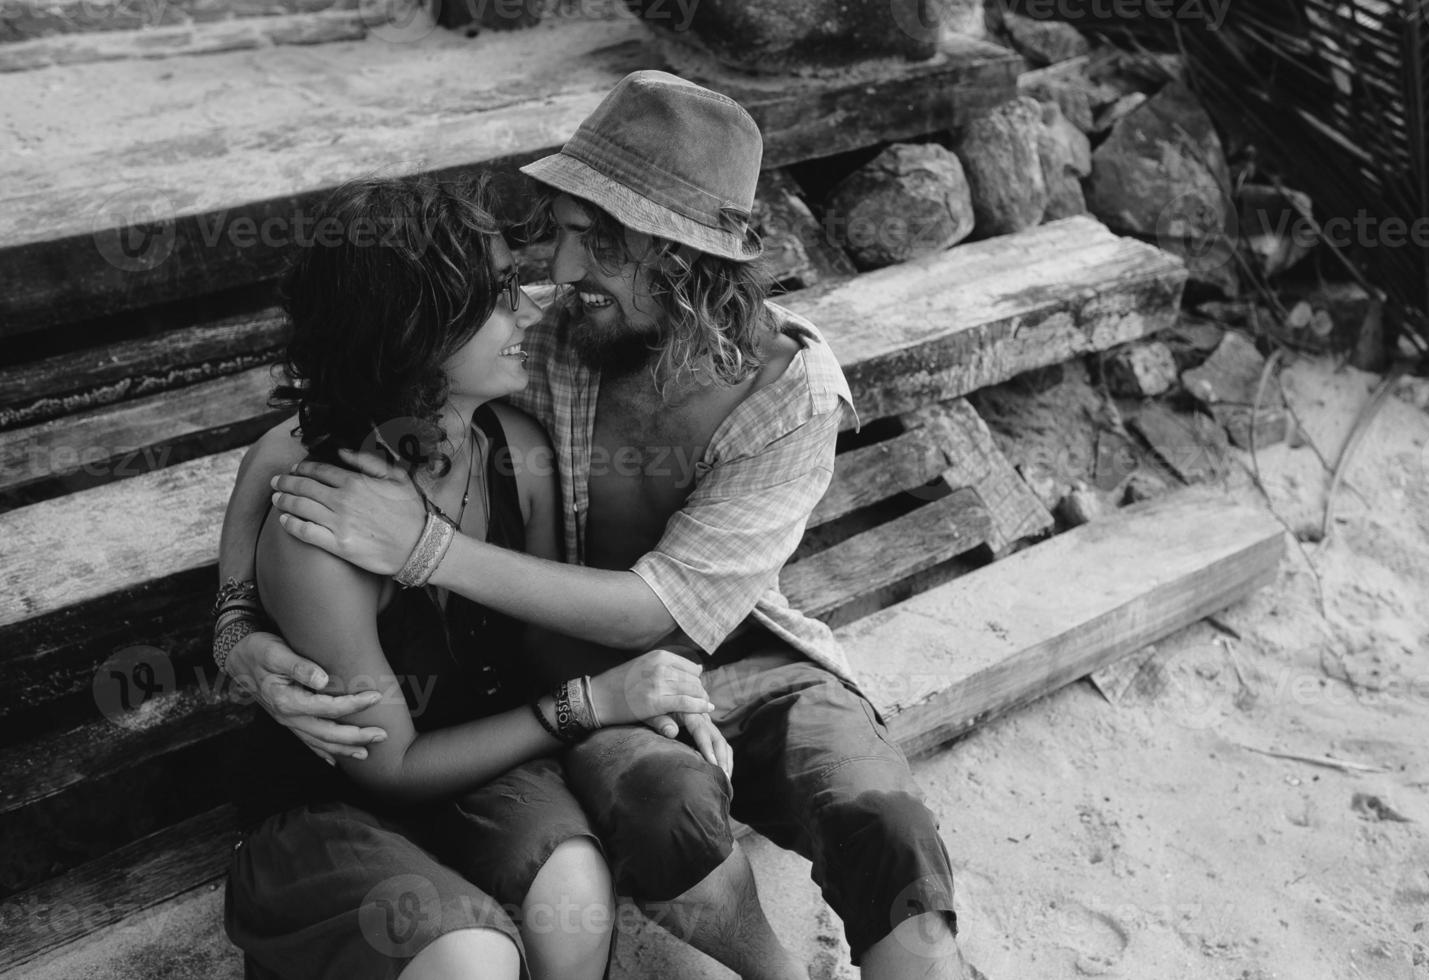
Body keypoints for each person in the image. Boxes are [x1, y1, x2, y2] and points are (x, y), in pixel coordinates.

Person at [219, 72, 974, 980]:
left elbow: (657, 611)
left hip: (745, 656)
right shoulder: (552, 334)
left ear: (685, 262)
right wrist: (232, 625)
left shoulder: (791, 395)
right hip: (587, 676)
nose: (564, 275)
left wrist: (426, 551)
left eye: (599, 245)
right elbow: (326, 417)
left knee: (885, 823)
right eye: (567, 237)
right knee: (668, 811)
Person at [219, 172, 729, 980]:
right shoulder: (320, 526)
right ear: (415, 333)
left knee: (576, 889)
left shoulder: (514, 449)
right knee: (471, 956)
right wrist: (588, 705)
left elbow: (553, 637)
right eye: (496, 296)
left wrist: (660, 703)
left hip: (484, 769)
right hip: (335, 812)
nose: (530, 306)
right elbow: (388, 770)